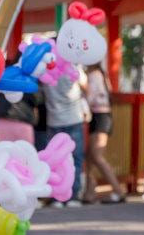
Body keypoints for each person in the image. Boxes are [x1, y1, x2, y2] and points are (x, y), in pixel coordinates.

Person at [45, 65, 89, 207]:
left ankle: (56, 197)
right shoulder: (74, 67)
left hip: (54, 119)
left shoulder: (46, 68)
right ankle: (73, 197)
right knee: (75, 159)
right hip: (74, 118)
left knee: (54, 160)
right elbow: (85, 87)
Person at [83, 63, 126, 204]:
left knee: (97, 157)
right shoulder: (99, 74)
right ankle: (89, 192)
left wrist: (81, 92)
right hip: (99, 116)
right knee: (89, 157)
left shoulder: (94, 75)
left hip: (100, 116)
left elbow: (92, 97)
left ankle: (118, 190)